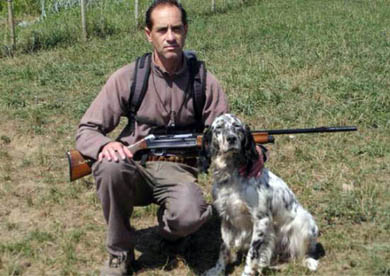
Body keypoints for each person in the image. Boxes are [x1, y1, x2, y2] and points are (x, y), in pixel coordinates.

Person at [75, 1, 263, 275]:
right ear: (148, 34)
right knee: (108, 166)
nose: (170, 36)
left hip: (179, 171)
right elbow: (87, 129)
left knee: (191, 215)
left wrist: (253, 151)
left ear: (185, 30)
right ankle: (119, 253)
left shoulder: (205, 82)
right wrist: (106, 145)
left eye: (176, 28)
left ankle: (171, 229)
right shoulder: (129, 77)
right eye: (162, 29)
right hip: (134, 168)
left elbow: (223, 131)